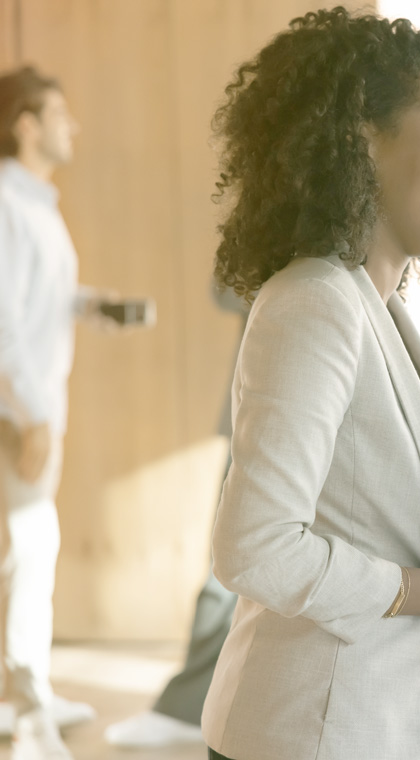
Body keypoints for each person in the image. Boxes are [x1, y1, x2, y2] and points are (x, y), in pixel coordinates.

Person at [199, 8, 420, 760]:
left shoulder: (375, 305)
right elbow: (255, 548)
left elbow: (356, 505)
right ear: (362, 142)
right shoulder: (314, 301)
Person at [0, 66, 112, 760]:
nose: (73, 126)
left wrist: (89, 304)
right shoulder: (8, 204)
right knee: (28, 545)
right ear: (25, 125)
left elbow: (34, 299)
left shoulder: (38, 203)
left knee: (32, 548)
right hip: (21, 414)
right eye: (59, 114)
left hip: (38, 406)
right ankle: (24, 693)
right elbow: (2, 320)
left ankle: (27, 687)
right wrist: (34, 416)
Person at [104, 286, 246, 750]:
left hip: (315, 410)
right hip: (264, 410)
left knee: (231, 573)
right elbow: (226, 288)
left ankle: (191, 708)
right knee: (227, 570)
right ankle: (187, 707)